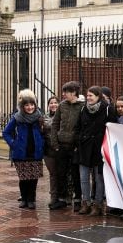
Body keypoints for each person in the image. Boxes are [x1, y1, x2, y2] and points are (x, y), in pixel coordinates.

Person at [76, 86, 118, 216]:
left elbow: (112, 127)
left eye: (91, 96)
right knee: (83, 177)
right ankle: (86, 202)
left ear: (98, 96)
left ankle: (98, 204)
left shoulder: (107, 109)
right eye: (87, 96)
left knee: (99, 178)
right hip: (85, 147)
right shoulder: (83, 109)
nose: (88, 98)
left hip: (99, 148)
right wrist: (80, 140)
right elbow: (78, 126)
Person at [2, 90, 45, 209]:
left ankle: (32, 200)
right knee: (24, 177)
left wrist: (42, 142)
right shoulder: (17, 118)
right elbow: (6, 133)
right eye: (27, 105)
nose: (30, 107)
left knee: (34, 177)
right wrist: (13, 144)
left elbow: (45, 131)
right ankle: (24, 198)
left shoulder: (39, 117)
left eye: (32, 104)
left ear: (35, 105)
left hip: (35, 151)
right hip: (21, 152)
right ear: (22, 106)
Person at [50, 81, 84, 211]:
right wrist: (55, 144)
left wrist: (78, 145)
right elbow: (55, 124)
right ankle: (61, 199)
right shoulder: (62, 106)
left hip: (75, 147)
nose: (63, 94)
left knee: (76, 174)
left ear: (74, 92)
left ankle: (77, 200)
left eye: (66, 92)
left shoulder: (82, 106)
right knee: (61, 173)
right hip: (61, 146)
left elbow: (83, 127)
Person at [42, 96, 60, 209]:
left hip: (61, 149)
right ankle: (54, 197)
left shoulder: (63, 116)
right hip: (48, 150)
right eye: (51, 103)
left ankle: (64, 196)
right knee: (53, 174)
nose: (53, 105)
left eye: (55, 102)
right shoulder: (43, 117)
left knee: (63, 174)